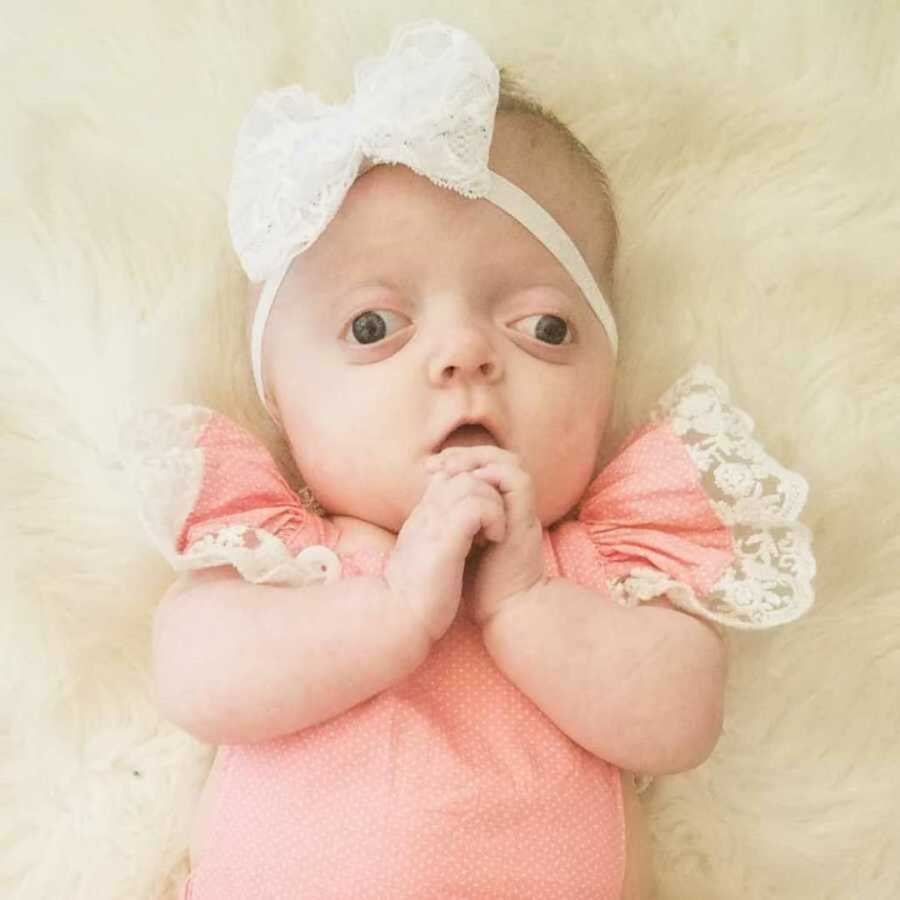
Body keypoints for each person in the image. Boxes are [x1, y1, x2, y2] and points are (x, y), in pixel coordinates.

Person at [120, 20, 816, 900]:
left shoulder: (593, 570)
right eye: (374, 328)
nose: (462, 355)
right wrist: (393, 611)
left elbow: (682, 722)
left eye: (543, 328)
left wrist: (528, 605)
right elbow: (194, 679)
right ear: (283, 406)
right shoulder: (290, 559)